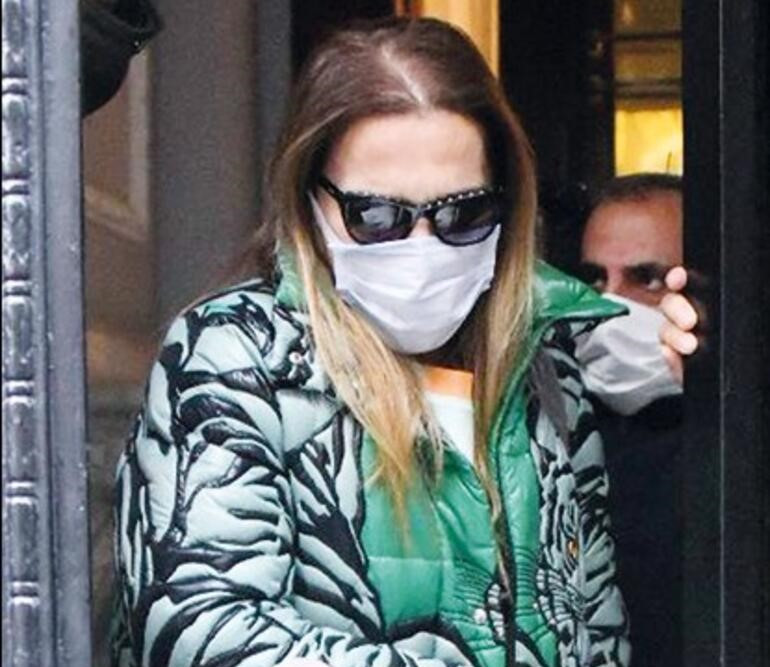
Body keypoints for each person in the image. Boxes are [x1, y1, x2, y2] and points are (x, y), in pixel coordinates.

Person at [111, 18, 630, 667]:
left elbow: (597, 629)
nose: (423, 246)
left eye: (464, 212)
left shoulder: (547, 367)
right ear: (309, 201)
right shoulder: (235, 355)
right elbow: (205, 628)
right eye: (376, 216)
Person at [572, 174, 684, 666]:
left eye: (647, 279)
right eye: (597, 279)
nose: (611, 302)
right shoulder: (552, 426)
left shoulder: (740, 439)